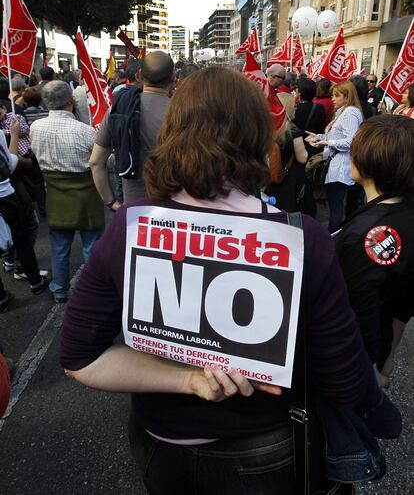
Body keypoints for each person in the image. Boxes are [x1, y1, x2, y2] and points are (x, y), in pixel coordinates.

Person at [61, 67, 369, 495]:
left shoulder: (130, 227)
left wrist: (186, 379)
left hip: (162, 446)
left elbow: (80, 359)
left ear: (172, 132)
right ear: (258, 138)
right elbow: (347, 380)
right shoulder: (302, 239)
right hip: (265, 449)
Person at [334, 115, 414, 388]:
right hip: (379, 353)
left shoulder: (364, 235)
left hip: (352, 365)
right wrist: (388, 359)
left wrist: (372, 369)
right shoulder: (406, 210)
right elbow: (404, 302)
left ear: (370, 160)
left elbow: (358, 314)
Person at [30, 81, 104, 303]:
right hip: (87, 198)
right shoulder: (86, 131)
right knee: (92, 247)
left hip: (55, 195)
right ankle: (92, 292)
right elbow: (103, 163)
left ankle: (60, 290)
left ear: (45, 102)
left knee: (60, 247)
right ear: (71, 101)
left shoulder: (36, 128)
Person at [89, 52, 173, 205]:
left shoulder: (119, 108)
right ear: (173, 78)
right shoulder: (184, 112)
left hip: (133, 208)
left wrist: (111, 202)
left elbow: (96, 162)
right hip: (174, 207)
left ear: (139, 75)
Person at [0, 123, 48, 303]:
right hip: (6, 196)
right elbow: (10, 166)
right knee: (23, 239)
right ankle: (35, 282)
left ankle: (2, 298)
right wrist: (13, 135)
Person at [306, 81, 363, 232]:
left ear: (347, 97)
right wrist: (319, 137)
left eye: (337, 96)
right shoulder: (343, 112)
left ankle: (335, 237)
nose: (333, 99)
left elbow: (351, 140)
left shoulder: (350, 112)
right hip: (338, 165)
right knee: (336, 206)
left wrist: (326, 142)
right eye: (332, 95)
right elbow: (336, 136)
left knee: (336, 207)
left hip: (341, 167)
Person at [265, 93, 309, 213]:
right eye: (294, 105)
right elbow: (302, 158)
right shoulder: (292, 130)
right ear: (288, 107)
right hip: (288, 180)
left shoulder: (266, 127)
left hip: (267, 178)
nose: (296, 108)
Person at [293, 78, 326, 156]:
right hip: (315, 148)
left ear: (299, 92)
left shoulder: (295, 109)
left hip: (299, 149)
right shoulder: (320, 107)